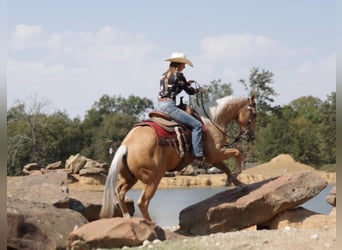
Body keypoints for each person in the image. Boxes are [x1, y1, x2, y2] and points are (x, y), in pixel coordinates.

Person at [157, 52, 205, 161]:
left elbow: (172, 88)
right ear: (179, 64)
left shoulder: (163, 75)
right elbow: (189, 92)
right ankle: (197, 153)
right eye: (183, 64)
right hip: (169, 107)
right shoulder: (178, 75)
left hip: (159, 106)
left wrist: (186, 83)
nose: (184, 67)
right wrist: (199, 90)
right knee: (197, 125)